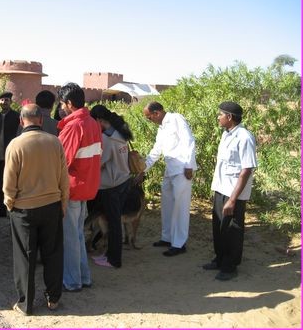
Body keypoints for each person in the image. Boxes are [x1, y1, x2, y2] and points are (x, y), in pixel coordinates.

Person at [4, 104, 69, 315]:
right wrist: (63, 204)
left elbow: (8, 182)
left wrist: (9, 203)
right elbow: (63, 179)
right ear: (41, 120)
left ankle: (26, 304)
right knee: (52, 253)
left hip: (23, 209)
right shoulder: (55, 142)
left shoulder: (15, 145)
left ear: (22, 121)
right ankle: (53, 299)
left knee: (25, 256)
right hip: (51, 206)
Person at [204, 101, 257, 281]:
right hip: (221, 188)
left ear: (229, 117)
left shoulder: (244, 137)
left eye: (220, 114)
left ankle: (230, 266)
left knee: (232, 230)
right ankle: (219, 259)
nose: (218, 117)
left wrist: (233, 199)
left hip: (234, 192)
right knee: (219, 226)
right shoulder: (226, 134)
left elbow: (246, 169)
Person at [57, 82, 102, 291]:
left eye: (62, 104)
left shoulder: (73, 126)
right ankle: (84, 277)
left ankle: (72, 281)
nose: (61, 108)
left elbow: (61, 161)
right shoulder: (92, 122)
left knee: (70, 237)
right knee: (77, 234)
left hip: (72, 189)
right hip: (87, 187)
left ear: (68, 103)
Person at [143, 101, 197, 256]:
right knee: (167, 204)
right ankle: (167, 237)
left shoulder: (175, 119)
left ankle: (179, 243)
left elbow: (189, 141)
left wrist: (189, 165)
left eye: (149, 117)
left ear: (157, 113)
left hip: (182, 169)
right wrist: (144, 168)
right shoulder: (162, 128)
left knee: (180, 207)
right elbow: (156, 149)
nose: (149, 120)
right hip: (170, 168)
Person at [89, 105, 133, 268]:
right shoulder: (119, 132)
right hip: (124, 180)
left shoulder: (107, 139)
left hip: (111, 185)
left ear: (100, 120)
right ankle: (109, 255)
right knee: (115, 222)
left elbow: (99, 163)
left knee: (113, 224)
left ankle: (114, 259)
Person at [0, 91, 20, 217]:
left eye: (6, 100)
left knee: (14, 183)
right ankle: (0, 209)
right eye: (2, 100)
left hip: (12, 157)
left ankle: (14, 209)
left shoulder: (16, 117)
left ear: (11, 102)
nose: (4, 102)